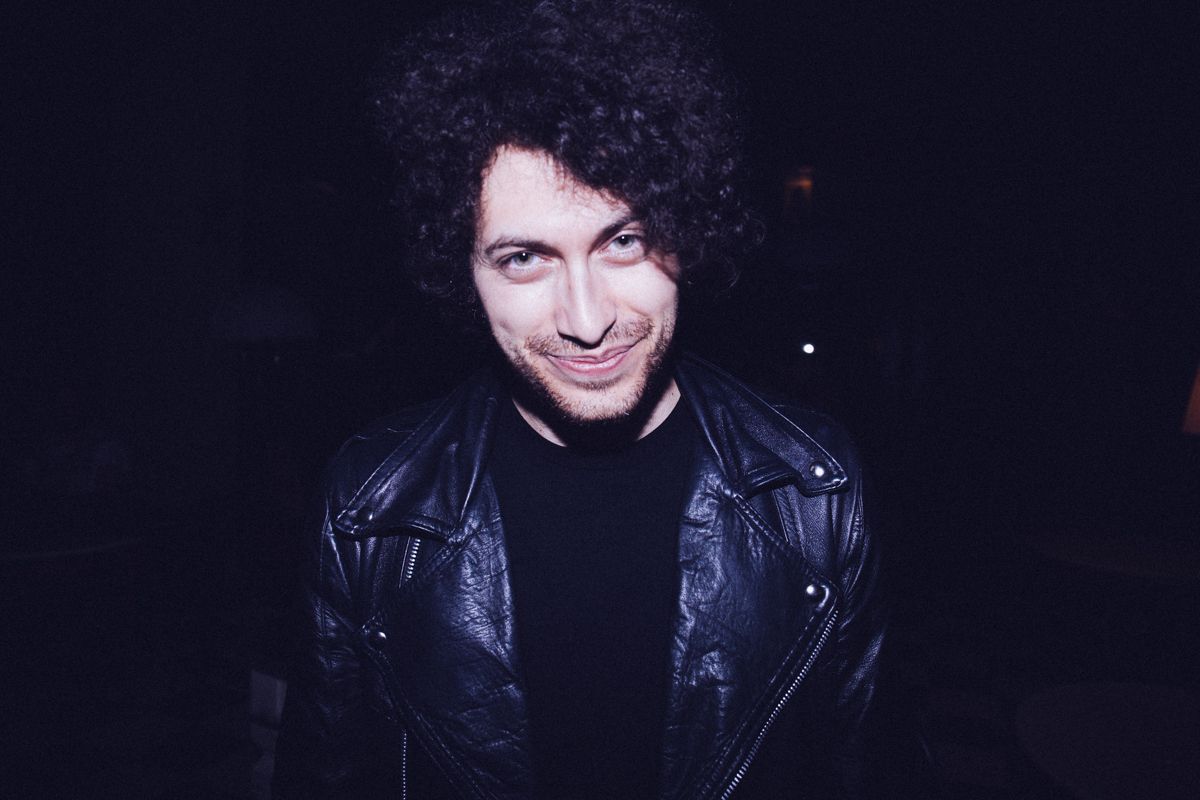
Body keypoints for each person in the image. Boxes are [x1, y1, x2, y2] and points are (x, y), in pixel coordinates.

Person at [273, 2, 885, 798]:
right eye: (524, 259)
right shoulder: (368, 509)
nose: (588, 321)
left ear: (686, 230)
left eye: (623, 241)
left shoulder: (814, 490)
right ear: (462, 269)